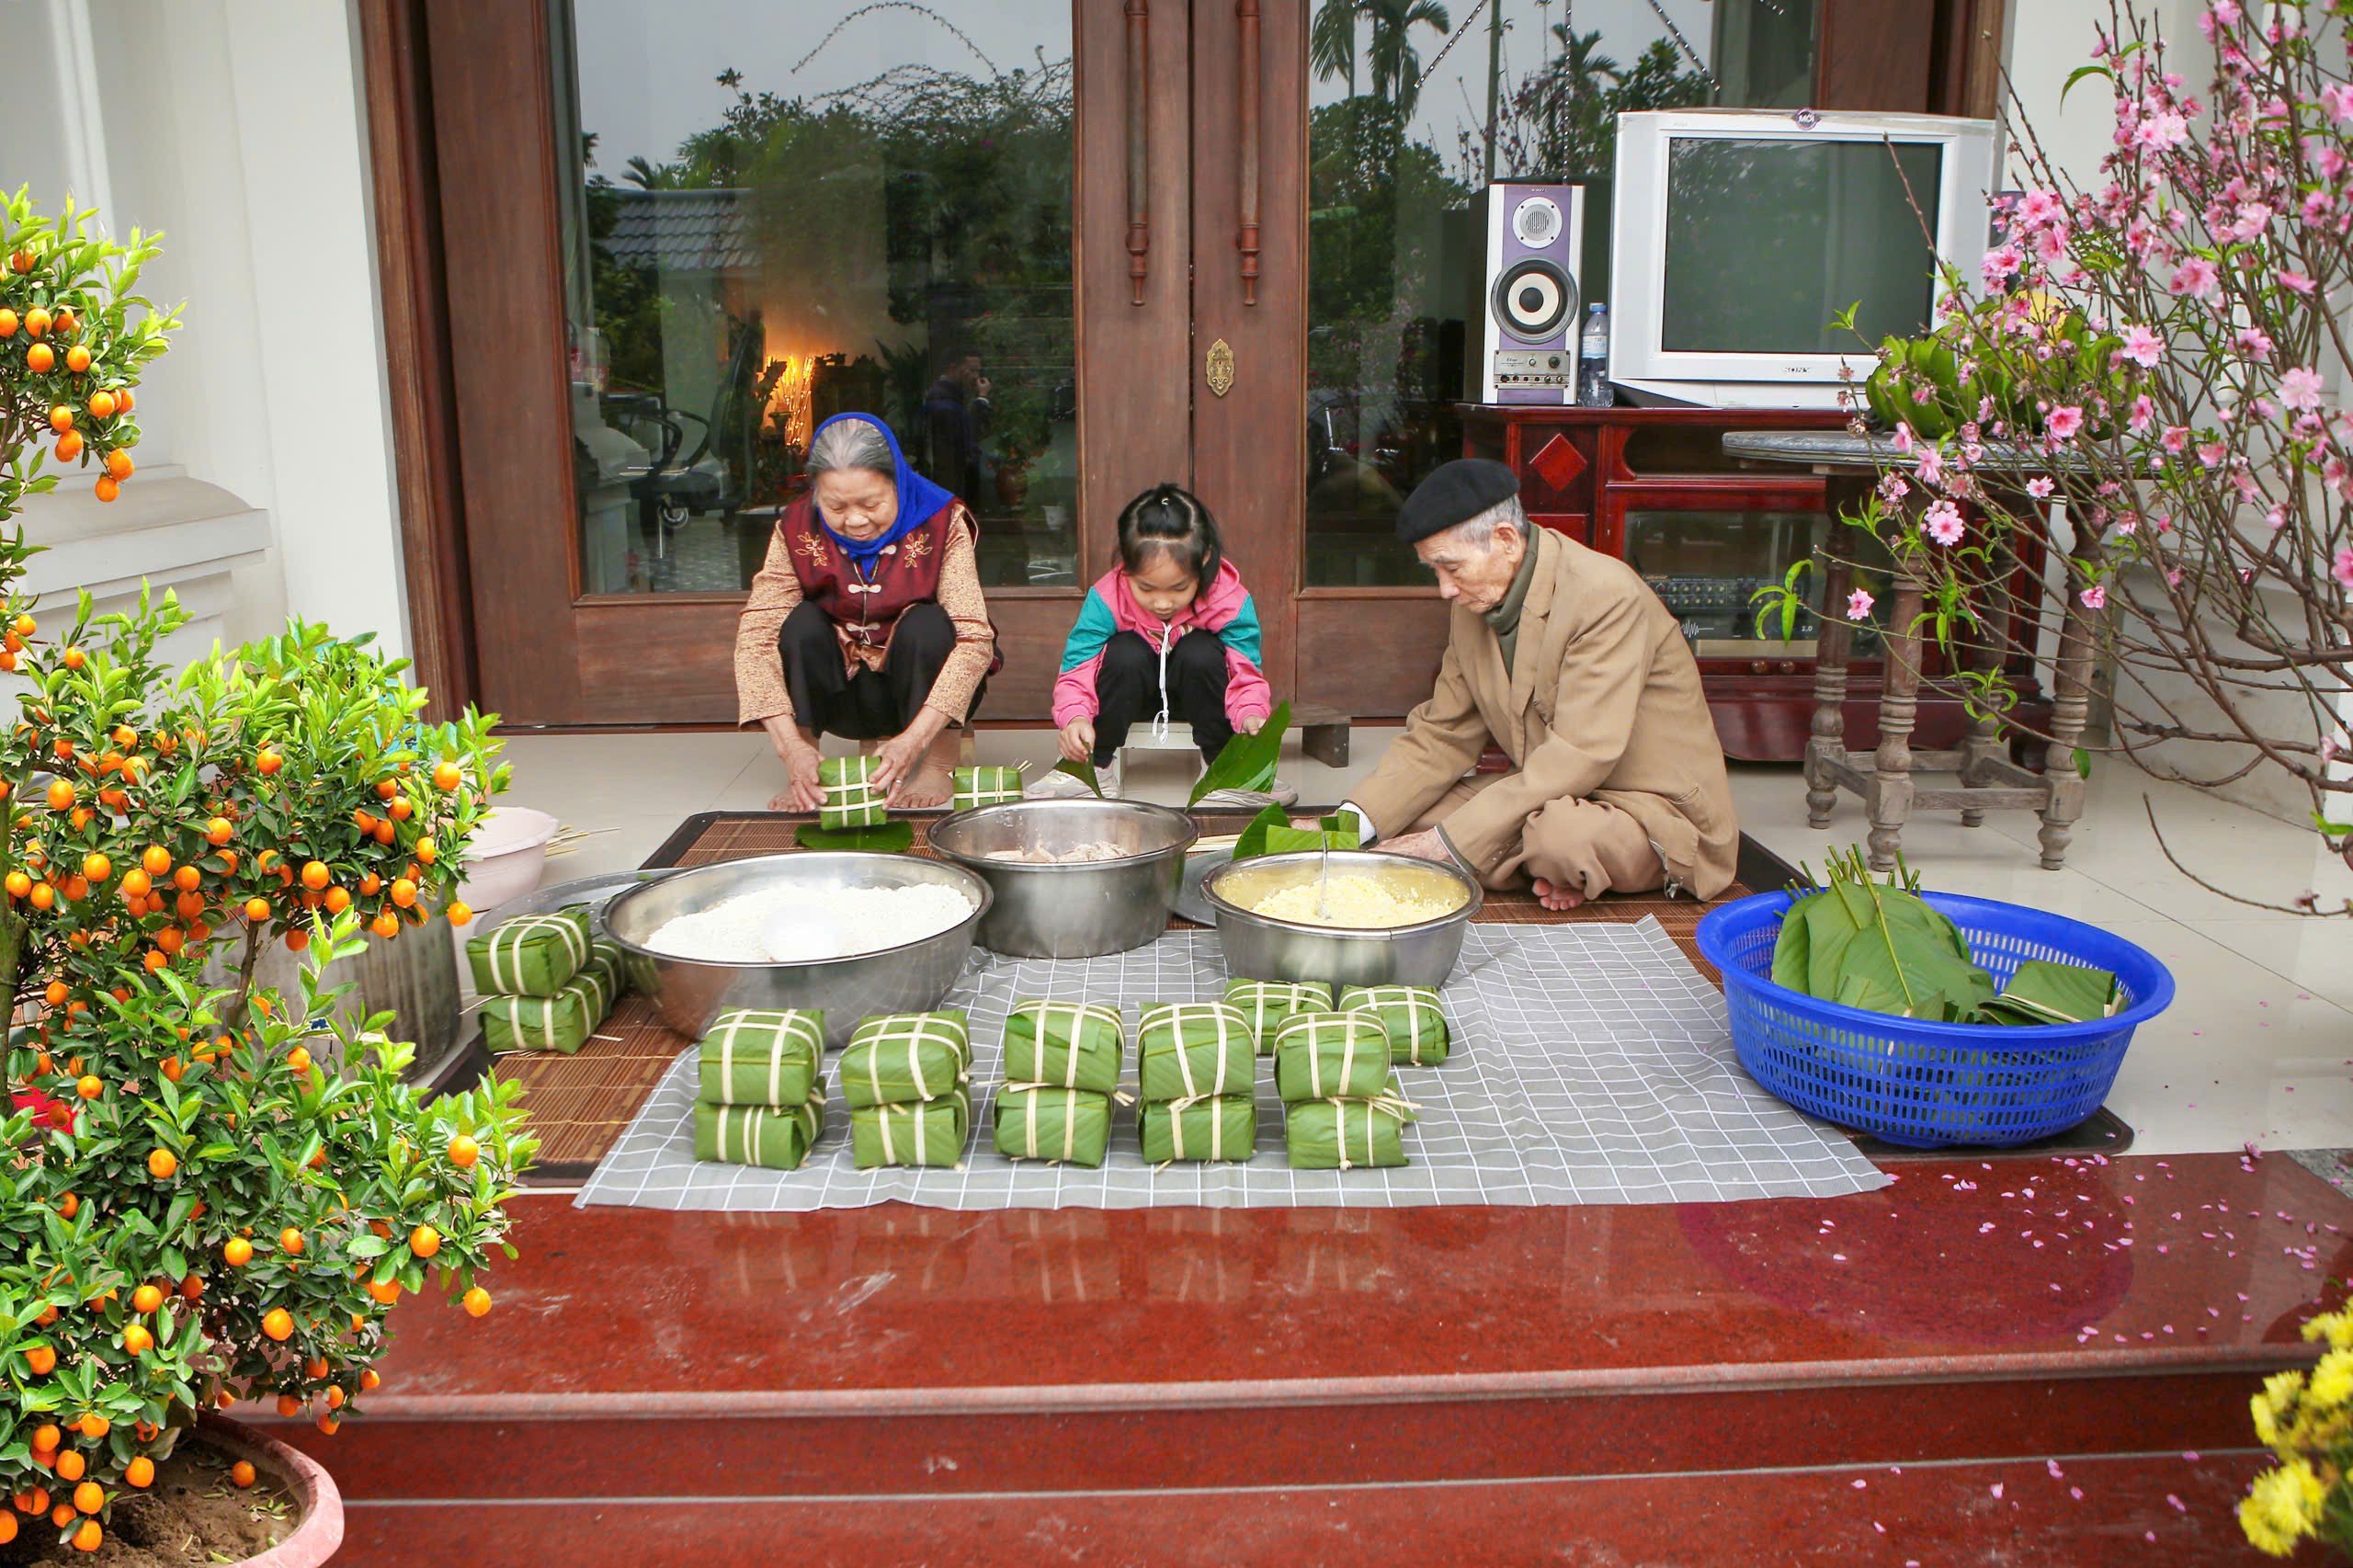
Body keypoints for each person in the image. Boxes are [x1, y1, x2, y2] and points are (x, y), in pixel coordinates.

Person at [1336, 458, 1738, 909]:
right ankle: (1566, 872)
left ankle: (1554, 862)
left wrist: (1445, 847)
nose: (1444, 589)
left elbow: (1580, 755)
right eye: (1434, 571)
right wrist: (1348, 826)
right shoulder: (1472, 603)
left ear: (1505, 541)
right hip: (1550, 794)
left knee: (1557, 838)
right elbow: (1443, 734)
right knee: (1409, 819)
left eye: (1450, 567)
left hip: (1645, 806)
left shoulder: (1604, 596)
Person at [734, 412, 995, 812]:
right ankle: (806, 763)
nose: (855, 520)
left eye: (871, 503)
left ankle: (939, 764)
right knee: (799, 623)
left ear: (897, 481)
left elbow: (974, 639)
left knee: (930, 625)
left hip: (914, 693)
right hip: (842, 692)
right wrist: (788, 749)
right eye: (835, 506)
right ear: (816, 491)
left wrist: (913, 741)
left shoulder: (941, 521)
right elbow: (756, 637)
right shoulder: (795, 526)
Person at [1034, 483, 1274, 801]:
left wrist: (1251, 713)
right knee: (1125, 652)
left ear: (1203, 560)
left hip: (1202, 699)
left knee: (1200, 652)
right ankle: (1095, 767)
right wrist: (1075, 717)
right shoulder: (1107, 599)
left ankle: (1224, 770)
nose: (1162, 603)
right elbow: (1077, 669)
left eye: (1178, 588)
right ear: (1126, 567)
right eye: (1146, 589)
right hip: (1132, 698)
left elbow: (1245, 672)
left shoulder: (1229, 601)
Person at [922, 347, 991, 501]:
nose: (976, 377)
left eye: (978, 371)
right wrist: (982, 400)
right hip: (949, 480)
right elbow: (965, 436)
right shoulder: (941, 397)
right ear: (953, 368)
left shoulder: (953, 394)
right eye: (972, 370)